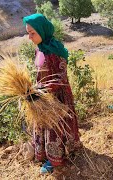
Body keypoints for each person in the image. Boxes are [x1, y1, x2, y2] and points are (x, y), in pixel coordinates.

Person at [23, 13, 81, 174]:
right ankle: (43, 153)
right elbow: (39, 74)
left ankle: (56, 159)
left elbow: (61, 78)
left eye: (32, 33)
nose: (29, 37)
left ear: (42, 31)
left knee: (55, 127)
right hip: (42, 97)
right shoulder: (39, 50)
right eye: (28, 33)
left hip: (57, 98)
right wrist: (31, 89)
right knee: (42, 124)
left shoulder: (55, 51)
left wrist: (42, 91)